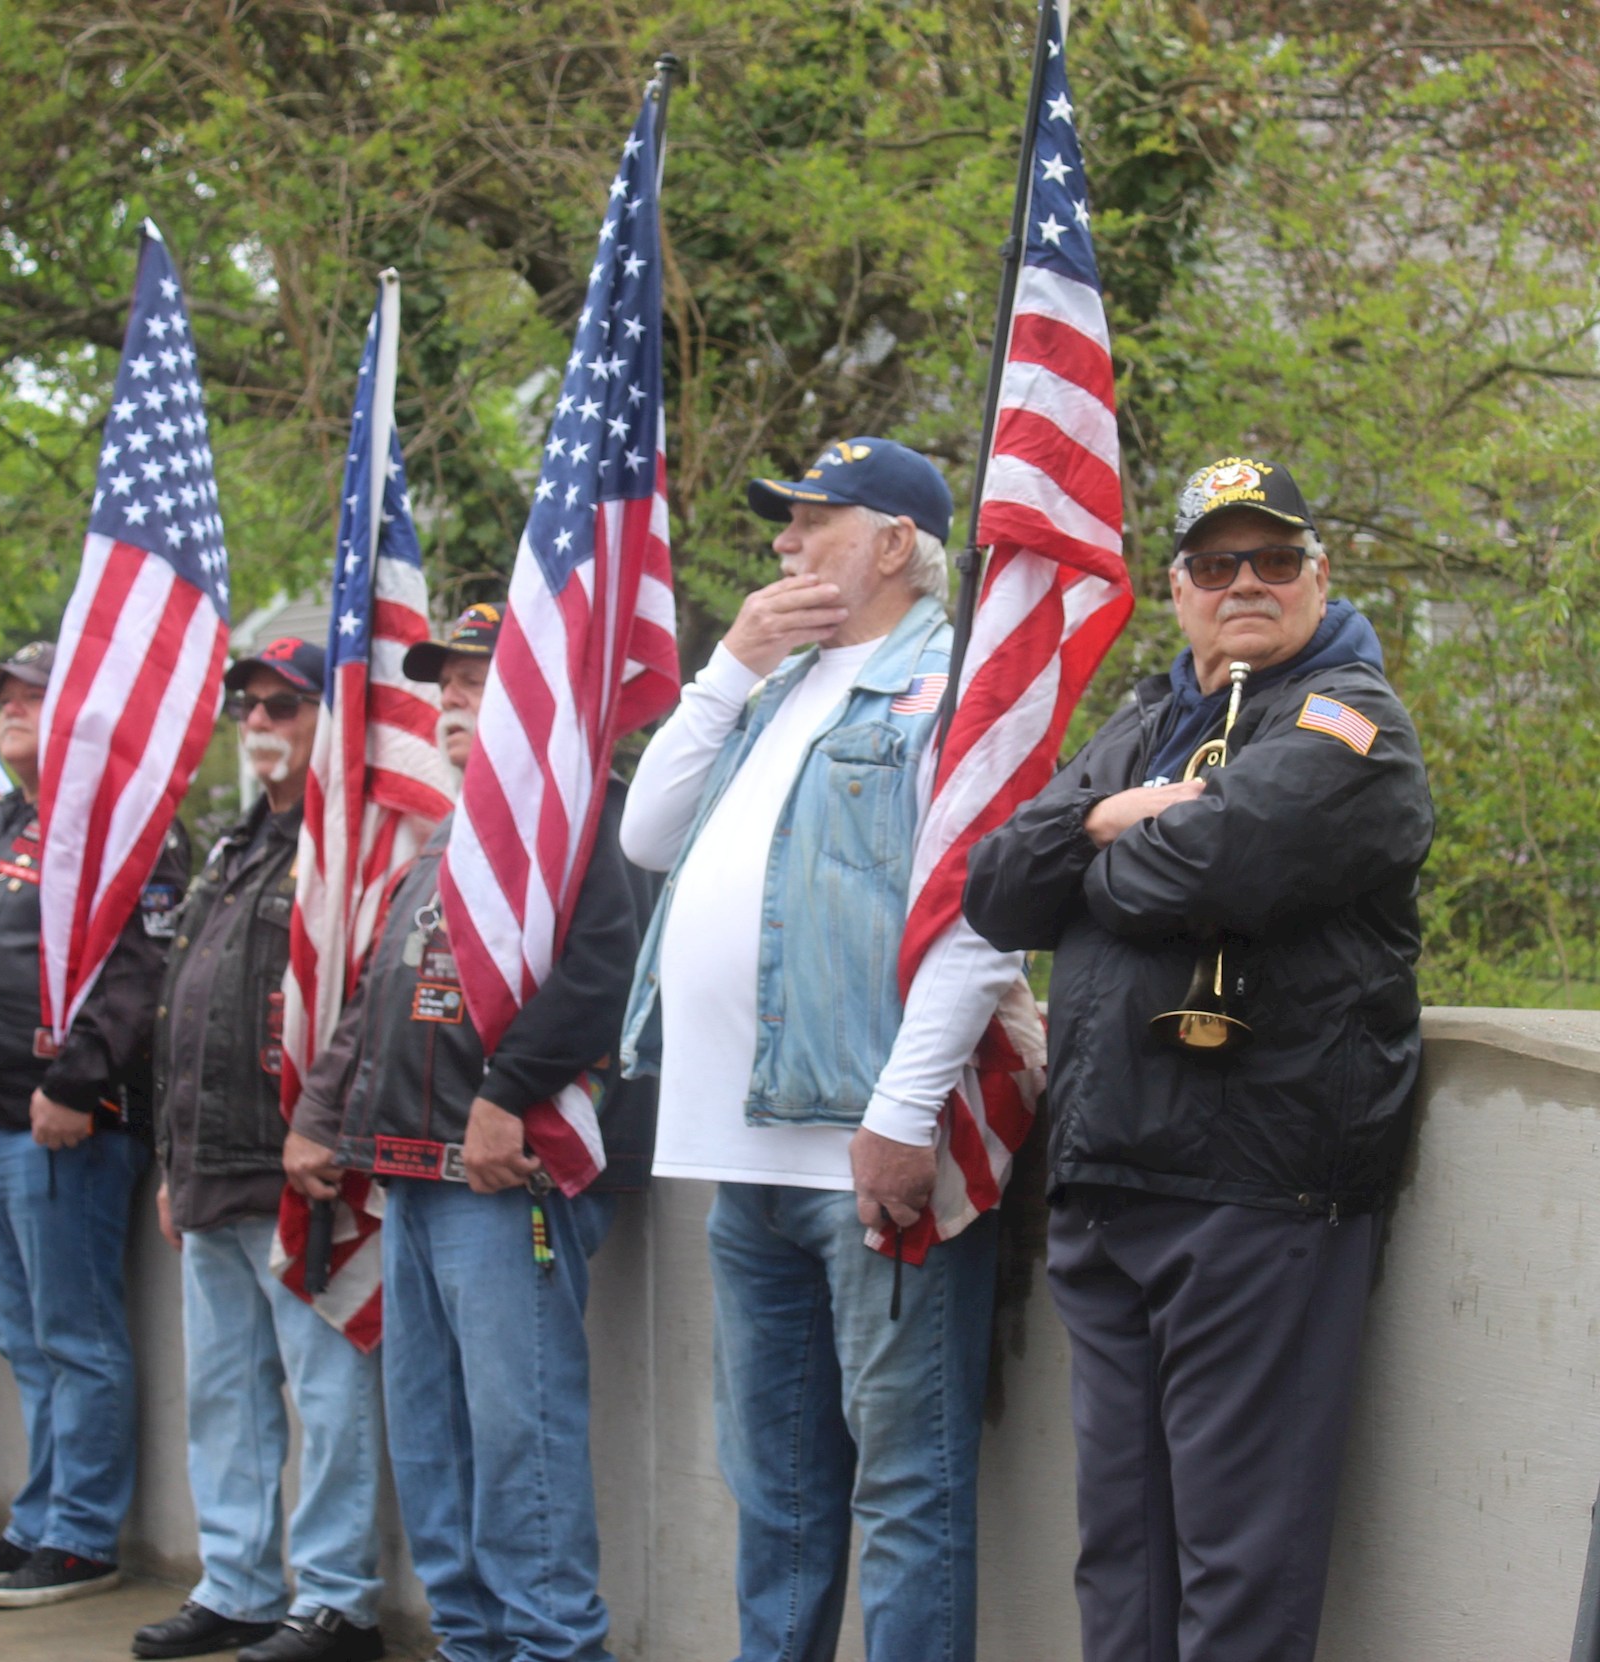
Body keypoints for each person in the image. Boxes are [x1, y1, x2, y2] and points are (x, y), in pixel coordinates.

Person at [962, 456, 1435, 1662]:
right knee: (1118, 1551)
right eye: (1215, 564)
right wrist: (1109, 816)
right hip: (1110, 1184)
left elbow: (1210, 866)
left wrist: (1114, 845)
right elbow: (1000, 885)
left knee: (1236, 1564)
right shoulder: (1146, 719)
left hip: (1253, 1190)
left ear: (1318, 577)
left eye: (1274, 560)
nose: (1245, 584)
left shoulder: (1351, 720)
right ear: (1176, 588)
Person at [615, 439, 1026, 1662]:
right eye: (782, 524)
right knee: (775, 1489)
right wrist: (728, 665)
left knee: (905, 1489)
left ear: (893, 544)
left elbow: (979, 920)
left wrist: (902, 1116)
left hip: (866, 1149)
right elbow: (644, 836)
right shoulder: (773, 683)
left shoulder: (954, 690)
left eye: (812, 522)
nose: (783, 545)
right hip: (738, 1153)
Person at [282, 602, 643, 1662]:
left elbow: (601, 973)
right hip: (410, 1170)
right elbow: (377, 997)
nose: (449, 697)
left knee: (516, 1429)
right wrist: (320, 1119)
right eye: (443, 680)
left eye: (476, 678)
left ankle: (551, 1647)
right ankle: (470, 1642)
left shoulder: (584, 817)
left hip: (504, 1173)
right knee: (430, 1436)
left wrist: (505, 1096)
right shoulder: (446, 831)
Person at [0, 640, 188, 1609]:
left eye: (35, 694)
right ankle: (37, 1518)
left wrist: (74, 1084)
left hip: (60, 1124)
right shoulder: (3, 824)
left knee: (75, 1336)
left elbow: (135, 975)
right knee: (26, 1341)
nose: (12, 707)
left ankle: (78, 1535)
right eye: (5, 696)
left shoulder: (120, 825)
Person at [130, 639, 388, 1662]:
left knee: (325, 1399)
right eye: (248, 706)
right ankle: (236, 1584)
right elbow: (176, 1017)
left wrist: (318, 1125)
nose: (261, 723)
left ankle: (337, 1602)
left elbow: (361, 1008)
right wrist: (167, 1157)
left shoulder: (352, 850)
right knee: (223, 1397)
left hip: (301, 1170)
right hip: (209, 1174)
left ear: (334, 716)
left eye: (286, 704)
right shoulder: (232, 851)